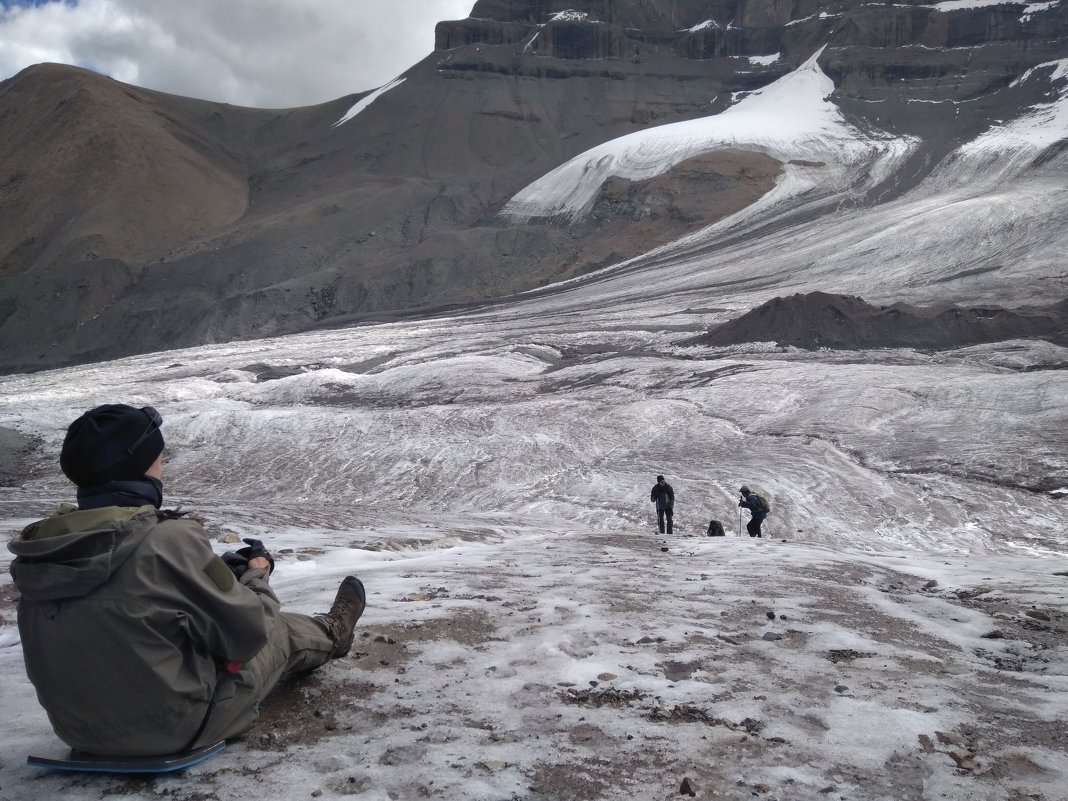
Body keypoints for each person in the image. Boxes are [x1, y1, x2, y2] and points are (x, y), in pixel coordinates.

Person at [8, 403, 366, 757]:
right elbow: (249, 634)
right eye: (159, 458)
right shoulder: (167, 541)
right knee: (279, 631)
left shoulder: (42, 548)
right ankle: (334, 632)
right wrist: (257, 574)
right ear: (141, 466)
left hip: (77, 733)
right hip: (175, 728)